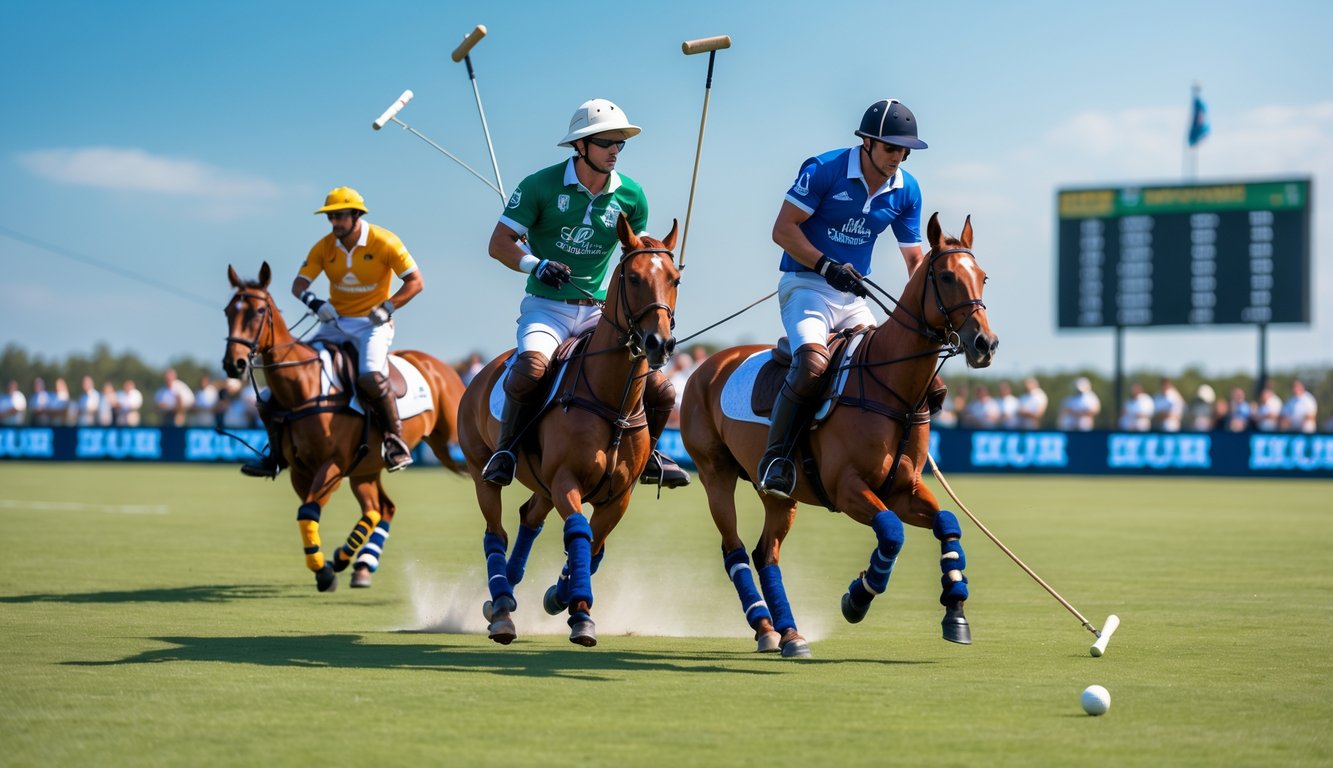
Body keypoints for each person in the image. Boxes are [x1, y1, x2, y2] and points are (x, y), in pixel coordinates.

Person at [479, 98, 689, 489]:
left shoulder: (631, 195)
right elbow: (499, 242)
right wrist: (536, 264)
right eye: (606, 141)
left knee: (660, 388)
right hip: (547, 308)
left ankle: (650, 455)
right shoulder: (539, 185)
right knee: (531, 371)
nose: (615, 150)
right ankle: (506, 451)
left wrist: (664, 263)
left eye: (619, 142)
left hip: (599, 311)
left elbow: (638, 251)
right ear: (580, 145)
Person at [757, 98, 933, 497]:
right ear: (867, 142)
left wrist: (927, 311)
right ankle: (776, 460)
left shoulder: (907, 189)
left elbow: (914, 259)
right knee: (812, 366)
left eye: (905, 151)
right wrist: (826, 266)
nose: (898, 157)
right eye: (891, 147)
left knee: (887, 364)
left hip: (853, 297)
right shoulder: (825, 169)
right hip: (806, 286)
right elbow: (783, 229)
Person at [242, 186, 422, 477]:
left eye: (339, 216)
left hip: (373, 325)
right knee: (279, 384)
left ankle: (395, 441)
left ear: (356, 215)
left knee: (370, 375)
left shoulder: (384, 241)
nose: (334, 222)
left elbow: (415, 282)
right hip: (335, 323)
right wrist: (314, 302)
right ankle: (275, 455)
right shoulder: (324, 247)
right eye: (330, 217)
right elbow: (299, 285)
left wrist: (388, 306)